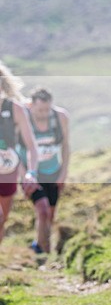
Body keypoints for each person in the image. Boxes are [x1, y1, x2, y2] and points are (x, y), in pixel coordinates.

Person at [17, 88, 70, 254]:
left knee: (50, 214)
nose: (44, 113)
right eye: (40, 110)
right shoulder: (21, 118)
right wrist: (25, 175)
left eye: (47, 109)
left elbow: (66, 147)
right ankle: (41, 251)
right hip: (31, 173)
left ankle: (40, 243)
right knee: (43, 208)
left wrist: (62, 174)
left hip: (53, 171)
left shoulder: (60, 117)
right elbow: (13, 149)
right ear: (31, 105)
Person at [0, 61, 40, 247]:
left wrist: (30, 173)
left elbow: (31, 146)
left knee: (2, 220)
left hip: (8, 171)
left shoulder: (15, 108)